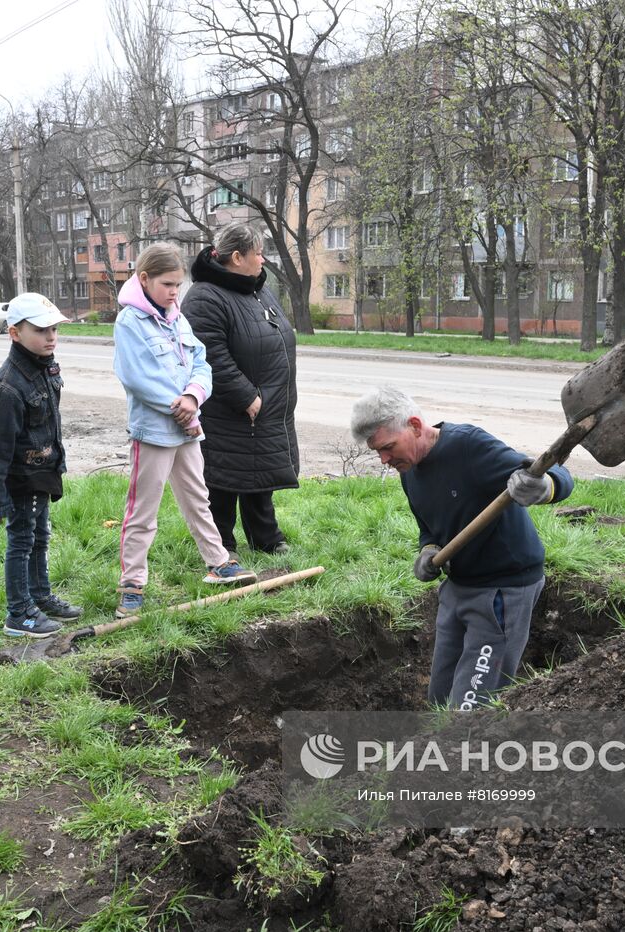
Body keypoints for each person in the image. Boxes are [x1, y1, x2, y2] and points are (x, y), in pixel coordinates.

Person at [350, 386, 574, 710]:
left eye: (387, 447)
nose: (384, 460)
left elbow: (556, 474)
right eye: (377, 452)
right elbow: (429, 527)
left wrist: (546, 487)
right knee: (439, 698)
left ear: (414, 425)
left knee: (471, 705)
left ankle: (468, 758)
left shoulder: (468, 447)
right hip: (458, 587)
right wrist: (428, 551)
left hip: (503, 590)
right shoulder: (409, 470)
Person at [112, 243, 257, 619]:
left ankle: (218, 562)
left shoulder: (177, 318)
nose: (174, 292)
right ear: (144, 280)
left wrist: (194, 397)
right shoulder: (130, 322)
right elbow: (139, 377)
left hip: (188, 428)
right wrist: (179, 409)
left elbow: (200, 363)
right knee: (143, 510)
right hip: (155, 433)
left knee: (198, 497)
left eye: (178, 284)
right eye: (167, 284)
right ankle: (132, 584)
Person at [181, 223, 298, 556]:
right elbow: (209, 354)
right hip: (230, 407)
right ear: (236, 257)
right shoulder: (205, 296)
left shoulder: (256, 289)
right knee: (223, 477)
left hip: (266, 403)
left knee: (258, 474)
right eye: (258, 253)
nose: (263, 259)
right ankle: (221, 545)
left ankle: (266, 539)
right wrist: (245, 395)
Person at [0, 292, 83, 638]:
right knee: (21, 540)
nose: (50, 337)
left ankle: (40, 595)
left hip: (42, 472)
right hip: (21, 478)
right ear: (14, 333)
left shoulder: (44, 368)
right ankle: (19, 612)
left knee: (40, 536)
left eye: (53, 329)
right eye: (40, 330)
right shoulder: (9, 386)